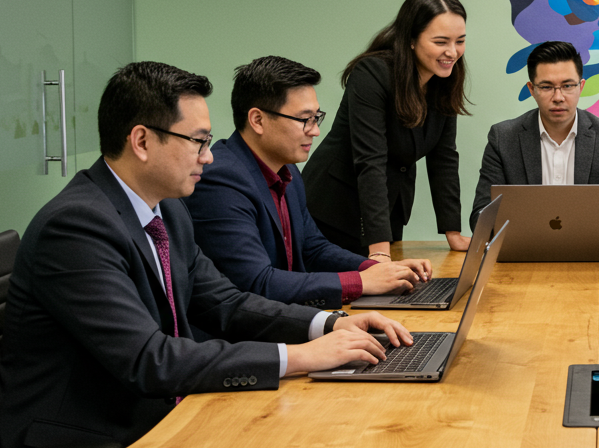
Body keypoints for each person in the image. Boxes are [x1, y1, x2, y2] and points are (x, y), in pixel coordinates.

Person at [0, 61, 411, 448]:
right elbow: (151, 360)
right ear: (142, 141)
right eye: (198, 141)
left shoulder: (167, 212)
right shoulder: (76, 227)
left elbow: (226, 302)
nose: (209, 157)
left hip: (159, 425)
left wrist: (330, 325)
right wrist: (301, 357)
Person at [185, 56, 433, 307]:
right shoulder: (220, 181)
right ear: (257, 120)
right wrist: (361, 282)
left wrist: (377, 268)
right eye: (305, 119)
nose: (315, 130)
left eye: (317, 117)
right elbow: (258, 282)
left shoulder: (286, 168)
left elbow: (313, 248)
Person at [304, 0, 470, 256]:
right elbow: (370, 160)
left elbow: (444, 158)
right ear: (411, 40)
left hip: (386, 210)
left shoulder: (445, 79)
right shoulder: (372, 74)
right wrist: (379, 250)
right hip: (335, 208)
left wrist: (453, 233)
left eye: (460, 41)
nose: (452, 52)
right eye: (441, 42)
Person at [470, 41, 599, 252]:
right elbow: (481, 215)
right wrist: (516, 238)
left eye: (567, 86)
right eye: (546, 87)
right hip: (523, 259)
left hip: (593, 257)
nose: (558, 97)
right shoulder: (503, 138)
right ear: (532, 89)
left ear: (581, 86)